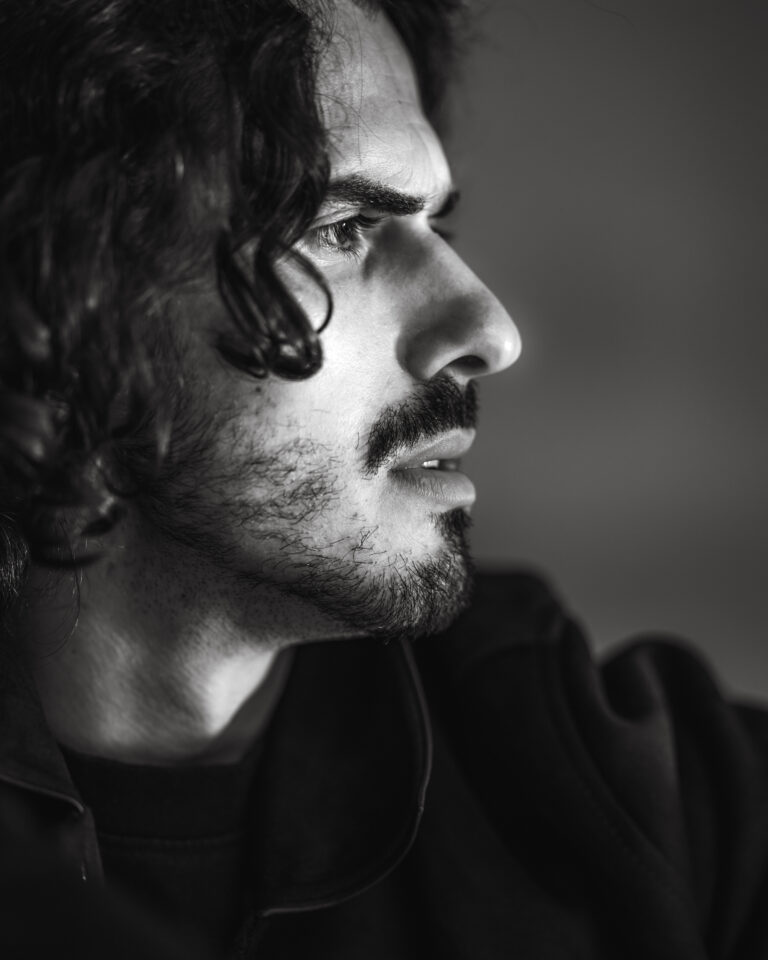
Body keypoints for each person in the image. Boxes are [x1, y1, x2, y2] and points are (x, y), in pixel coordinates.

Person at [1, 0, 768, 957]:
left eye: (437, 225)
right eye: (342, 226)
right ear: (62, 290)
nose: (490, 331)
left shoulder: (620, 789)